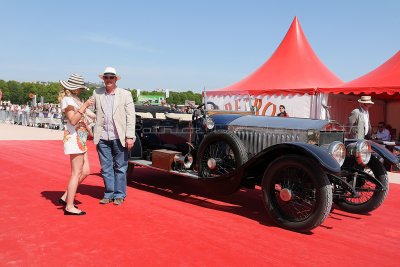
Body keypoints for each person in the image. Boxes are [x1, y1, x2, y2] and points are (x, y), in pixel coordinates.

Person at [92, 67, 136, 205]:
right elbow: (90, 110)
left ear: (116, 79)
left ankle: (119, 194)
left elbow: (131, 116)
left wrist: (130, 136)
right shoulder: (96, 93)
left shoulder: (125, 94)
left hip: (120, 137)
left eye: (111, 77)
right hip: (103, 137)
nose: (109, 80)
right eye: (106, 77)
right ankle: (109, 193)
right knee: (106, 168)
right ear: (103, 79)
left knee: (121, 168)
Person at [58, 74, 95, 215]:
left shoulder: (76, 99)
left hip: (81, 138)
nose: (81, 90)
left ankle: (66, 196)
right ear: (74, 88)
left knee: (85, 171)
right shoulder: (67, 100)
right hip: (74, 138)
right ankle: (69, 206)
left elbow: (85, 118)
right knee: (76, 173)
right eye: (80, 87)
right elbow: (73, 120)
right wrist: (84, 106)